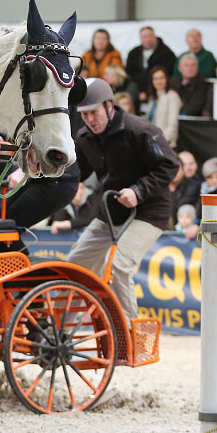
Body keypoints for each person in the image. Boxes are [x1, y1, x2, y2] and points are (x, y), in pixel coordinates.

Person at [67, 79, 179, 321]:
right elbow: (76, 172)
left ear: (109, 106)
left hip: (149, 212)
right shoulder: (85, 137)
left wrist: (138, 191)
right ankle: (61, 335)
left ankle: (129, 332)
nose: (90, 120)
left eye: (94, 112)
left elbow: (170, 165)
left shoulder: (141, 130)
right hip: (110, 211)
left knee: (118, 267)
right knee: (74, 266)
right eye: (84, 114)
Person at [126, 26, 176, 102]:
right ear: (140, 38)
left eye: (150, 36)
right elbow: (130, 74)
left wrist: (148, 93)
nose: (148, 39)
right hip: (138, 92)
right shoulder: (133, 53)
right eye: (144, 37)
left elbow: (168, 74)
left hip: (159, 93)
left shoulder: (167, 53)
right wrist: (139, 91)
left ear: (155, 36)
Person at [142, 66, 181, 147]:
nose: (158, 81)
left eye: (161, 78)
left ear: (167, 79)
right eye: (155, 79)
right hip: (151, 142)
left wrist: (161, 142)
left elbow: (172, 125)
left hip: (164, 144)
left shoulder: (172, 96)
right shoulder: (153, 97)